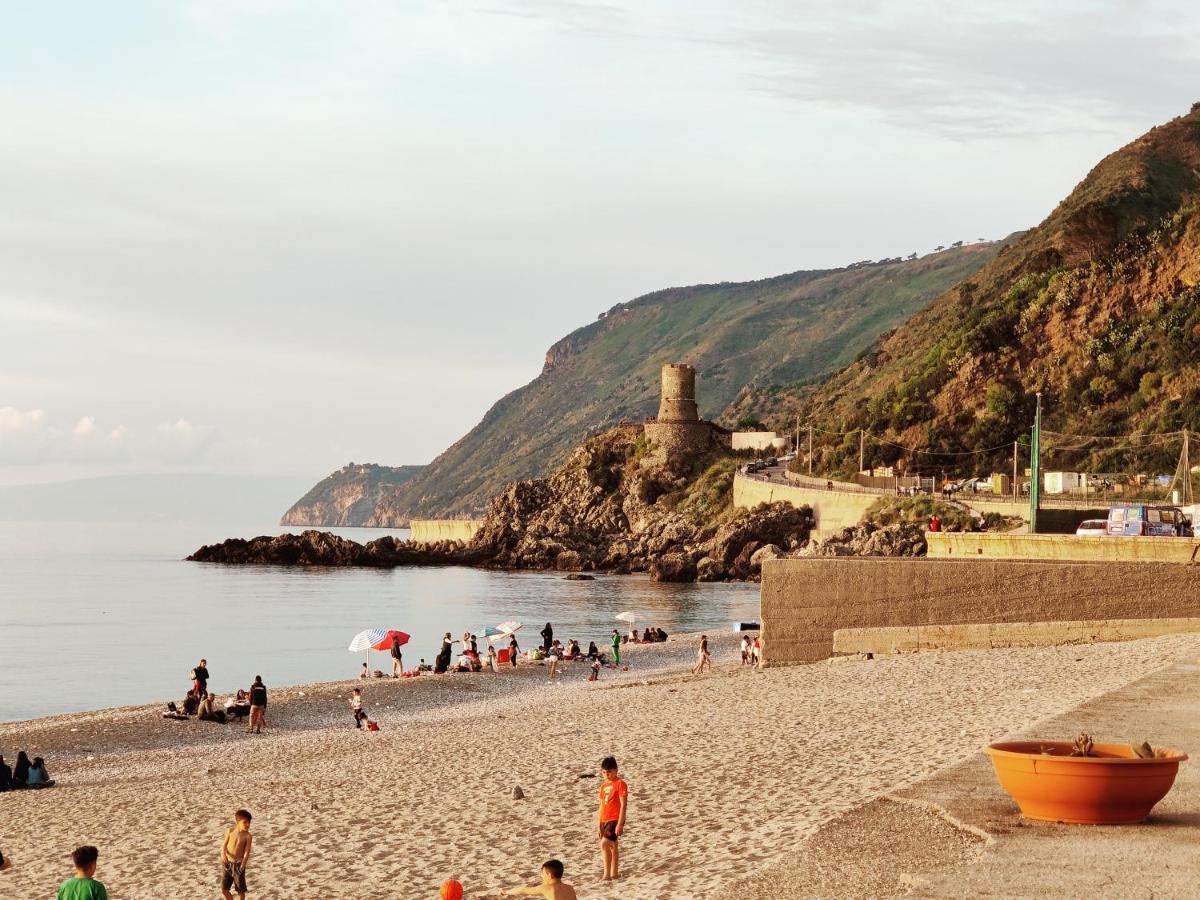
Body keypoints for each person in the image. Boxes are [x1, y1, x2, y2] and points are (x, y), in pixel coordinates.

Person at [597, 756, 628, 882]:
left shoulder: (620, 784)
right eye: (604, 772)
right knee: (613, 845)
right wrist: (598, 824)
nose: (607, 774)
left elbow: (623, 804)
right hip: (604, 819)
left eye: (609, 771)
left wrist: (620, 823)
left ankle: (606, 875)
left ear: (616, 770)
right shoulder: (603, 786)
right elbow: (601, 805)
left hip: (615, 818)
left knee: (604, 844)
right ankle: (614, 873)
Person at [499, 859, 577, 898]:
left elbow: (522, 890)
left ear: (549, 875)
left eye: (543, 874)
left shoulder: (547, 888)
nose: (542, 876)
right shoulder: (570, 888)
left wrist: (506, 892)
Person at [220, 809, 253, 900]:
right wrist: (223, 854)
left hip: (239, 865)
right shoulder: (230, 831)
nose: (248, 825)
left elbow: (247, 851)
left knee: (240, 890)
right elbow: (223, 846)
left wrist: (244, 863)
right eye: (245, 822)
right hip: (227, 864)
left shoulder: (248, 836)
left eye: (249, 822)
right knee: (224, 889)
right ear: (237, 822)